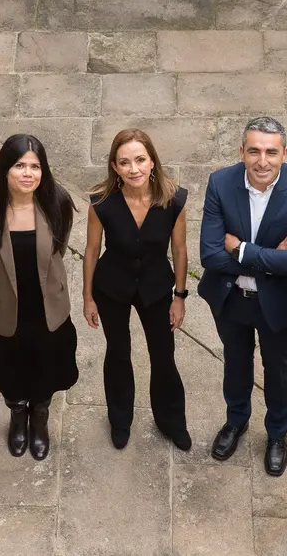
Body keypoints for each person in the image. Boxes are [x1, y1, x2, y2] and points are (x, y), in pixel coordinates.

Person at [198, 116, 287, 476]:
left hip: (277, 302)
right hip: (230, 298)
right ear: (242, 152)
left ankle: (277, 434)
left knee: (277, 368)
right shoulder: (220, 183)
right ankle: (236, 421)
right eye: (254, 151)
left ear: (285, 153)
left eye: (271, 152)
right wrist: (272, 255)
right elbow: (209, 254)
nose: (262, 161)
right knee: (235, 362)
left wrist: (243, 251)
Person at [0, 134, 78, 461]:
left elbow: (59, 247)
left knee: (45, 365)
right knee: (8, 366)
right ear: (5, 169)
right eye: (19, 165)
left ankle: (39, 417)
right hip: (3, 306)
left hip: (46, 307)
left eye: (35, 166)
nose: (28, 173)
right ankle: (17, 414)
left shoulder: (58, 202)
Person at [82, 129, 191, 451]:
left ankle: (171, 420)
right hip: (112, 287)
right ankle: (120, 420)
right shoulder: (101, 204)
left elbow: (181, 250)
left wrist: (180, 297)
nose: (134, 169)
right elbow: (91, 251)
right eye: (125, 162)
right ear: (114, 167)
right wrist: (88, 298)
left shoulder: (174, 199)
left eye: (140, 160)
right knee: (117, 353)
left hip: (157, 288)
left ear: (152, 161)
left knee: (163, 356)